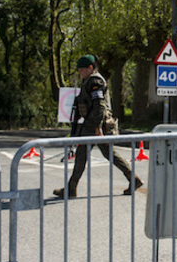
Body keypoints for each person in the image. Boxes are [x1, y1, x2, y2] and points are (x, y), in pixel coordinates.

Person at [53, 55, 143, 198]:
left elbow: (99, 107)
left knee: (82, 155)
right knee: (107, 154)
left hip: (96, 124)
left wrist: (97, 127)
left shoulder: (95, 81)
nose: (80, 72)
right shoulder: (88, 80)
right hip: (93, 123)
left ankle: (71, 188)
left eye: (82, 69)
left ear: (90, 68)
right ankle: (133, 179)